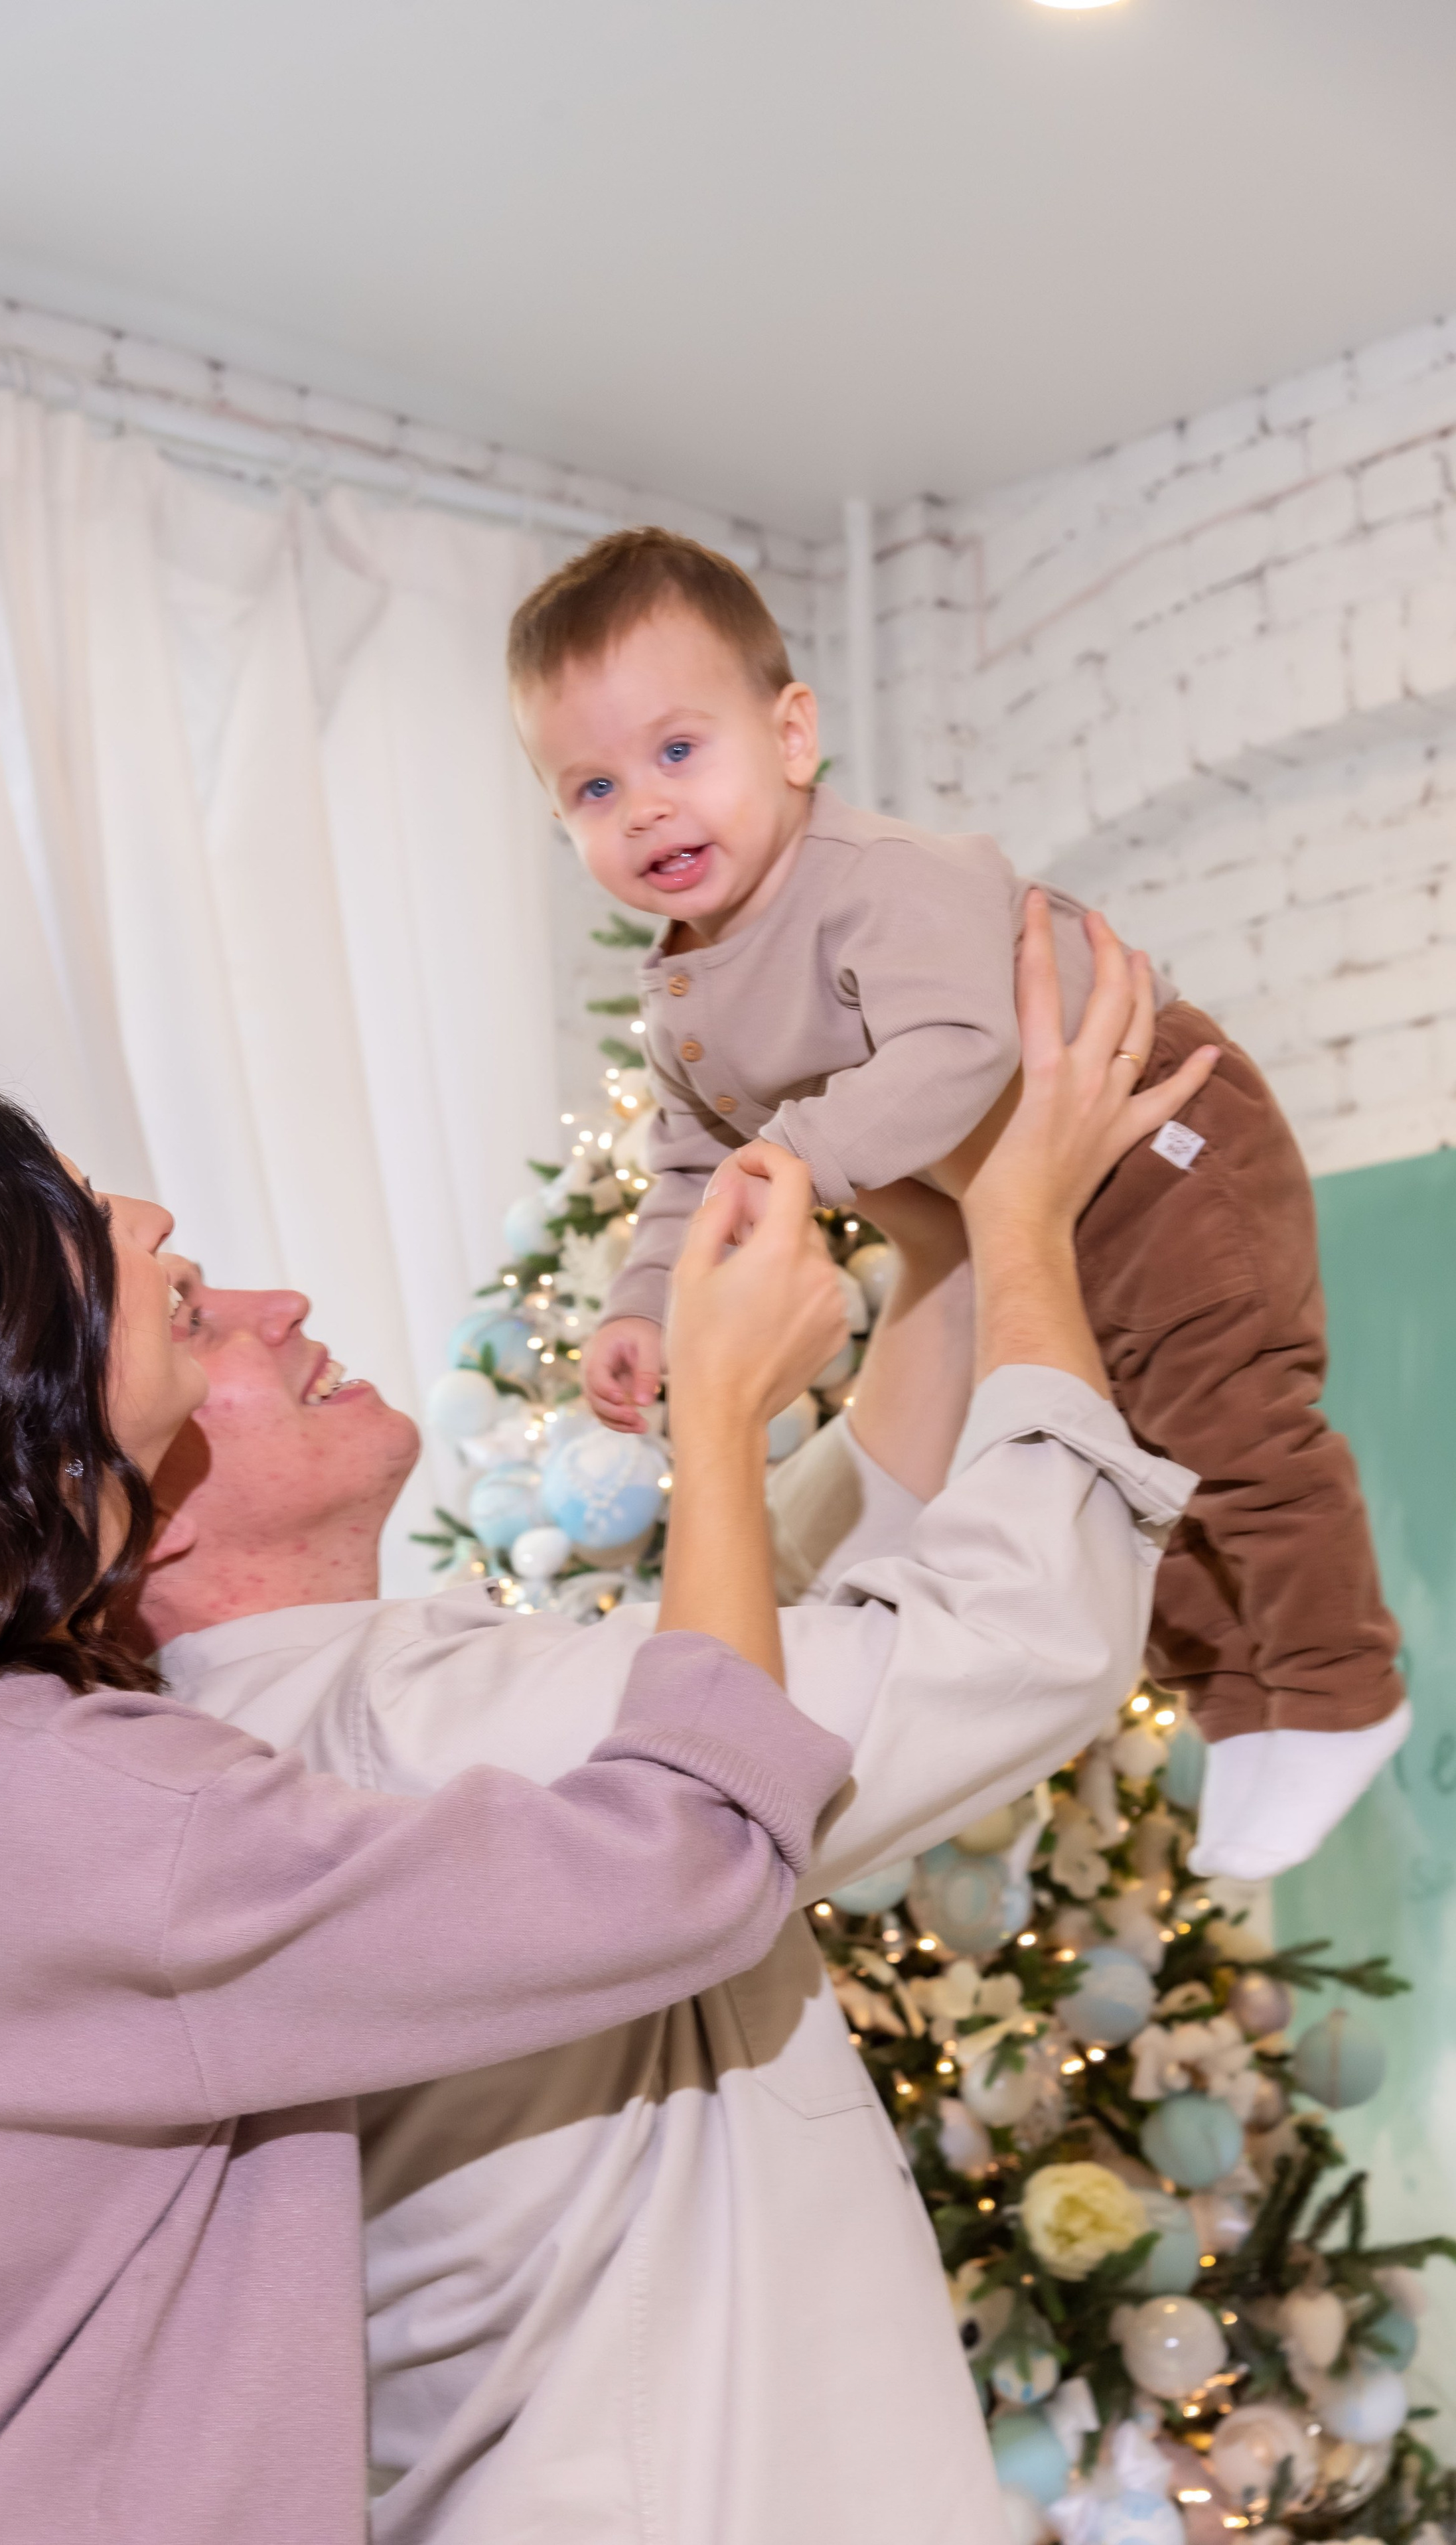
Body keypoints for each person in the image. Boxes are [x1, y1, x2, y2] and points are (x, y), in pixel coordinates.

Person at [142, 903, 1201, 2543]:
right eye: (193, 1312)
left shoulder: (309, 1725)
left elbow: (747, 1641)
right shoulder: (407, 1725)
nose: (275, 1304)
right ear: (124, 1496)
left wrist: (921, 1258)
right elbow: (1011, 1638)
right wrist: (1020, 1229)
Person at [0, 1085, 869, 2545]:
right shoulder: (79, 1812)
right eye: (85, 1212)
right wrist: (719, 1419)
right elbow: (693, 1861)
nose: (149, 1224)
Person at [506, 524, 1410, 1881]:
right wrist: (645, 1299)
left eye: (676, 751)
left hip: (1156, 1139)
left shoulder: (877, 879)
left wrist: (797, 1161)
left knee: (1227, 1420)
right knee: (1120, 1478)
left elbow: (961, 1052)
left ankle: (1339, 1688)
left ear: (791, 734)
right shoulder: (684, 983)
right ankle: (1240, 1711)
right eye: (589, 786)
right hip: (1023, 1216)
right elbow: (695, 1162)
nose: (639, 805)